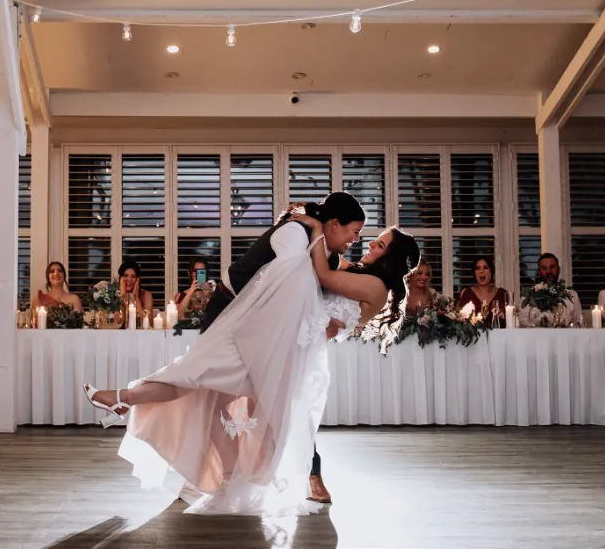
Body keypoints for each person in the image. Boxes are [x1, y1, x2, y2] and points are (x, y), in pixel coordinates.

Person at [82, 195, 417, 517]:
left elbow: (319, 277)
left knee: (205, 384)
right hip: (268, 338)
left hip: (278, 346)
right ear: (334, 224)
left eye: (378, 244)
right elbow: (317, 275)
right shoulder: (346, 266)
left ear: (390, 257)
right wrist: (312, 219)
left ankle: (132, 406)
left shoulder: (369, 284)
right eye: (360, 234)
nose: (364, 242)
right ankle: (214, 472)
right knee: (208, 391)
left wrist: (315, 229)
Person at [198, 192, 365, 504]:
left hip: (263, 321)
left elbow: (346, 273)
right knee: (215, 394)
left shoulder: (324, 252)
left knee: (284, 394)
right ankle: (203, 474)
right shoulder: (293, 232)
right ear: (333, 224)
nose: (356, 240)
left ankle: (304, 472)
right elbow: (289, 279)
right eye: (354, 232)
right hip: (228, 309)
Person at [519, 253, 583, 327]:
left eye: (552, 267)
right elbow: (523, 324)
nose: (548, 271)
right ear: (539, 272)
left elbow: (578, 323)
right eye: (544, 268)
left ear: (558, 269)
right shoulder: (528, 296)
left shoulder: (571, 295)